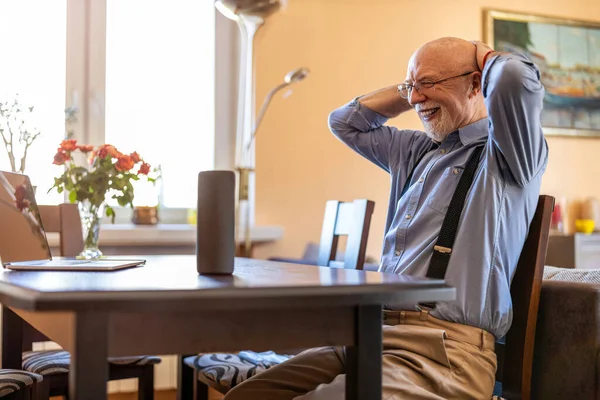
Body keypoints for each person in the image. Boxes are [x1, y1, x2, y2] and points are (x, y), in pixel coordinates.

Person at [224, 36, 548, 400]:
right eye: (411, 87)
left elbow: (515, 82)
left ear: (476, 83)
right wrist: (413, 88)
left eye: (429, 83)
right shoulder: (415, 151)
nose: (414, 99)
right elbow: (345, 122)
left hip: (442, 353)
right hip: (370, 334)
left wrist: (484, 55)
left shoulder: (505, 155)